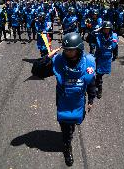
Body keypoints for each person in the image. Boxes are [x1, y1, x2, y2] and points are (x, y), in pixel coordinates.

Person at [32, 32, 96, 166]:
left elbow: (91, 82)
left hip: (79, 101)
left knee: (75, 123)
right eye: (65, 50)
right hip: (63, 101)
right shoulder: (58, 61)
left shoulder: (88, 61)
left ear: (78, 50)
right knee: (66, 128)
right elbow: (37, 72)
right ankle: (67, 147)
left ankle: (70, 131)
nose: (67, 53)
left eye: (70, 50)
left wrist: (91, 99)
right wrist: (47, 58)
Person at [95, 21, 118, 99]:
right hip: (99, 58)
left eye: (108, 29)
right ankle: (98, 87)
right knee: (98, 74)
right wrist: (96, 30)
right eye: (104, 29)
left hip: (107, 59)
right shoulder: (99, 36)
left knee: (100, 74)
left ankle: (98, 86)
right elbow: (89, 38)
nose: (106, 30)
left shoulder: (114, 37)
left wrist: (115, 55)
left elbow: (115, 47)